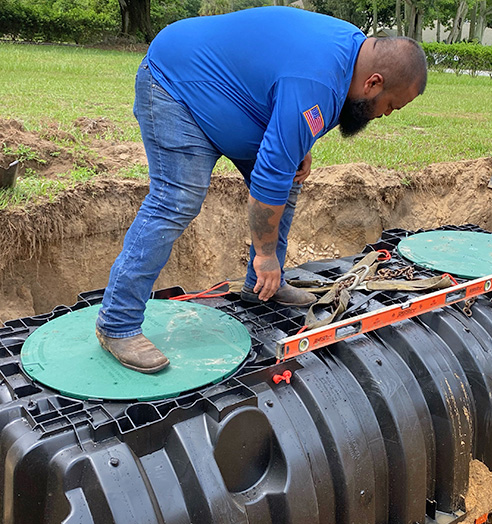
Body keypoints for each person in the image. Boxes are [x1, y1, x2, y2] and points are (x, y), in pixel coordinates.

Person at [95, 6, 427, 374]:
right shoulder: (318, 78)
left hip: (233, 99)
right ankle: (117, 323)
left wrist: (300, 144)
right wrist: (265, 254)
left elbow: (289, 93)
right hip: (177, 85)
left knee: (289, 181)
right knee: (176, 199)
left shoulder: (350, 57)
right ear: (374, 83)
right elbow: (271, 170)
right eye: (391, 106)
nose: (386, 115)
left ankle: (261, 288)